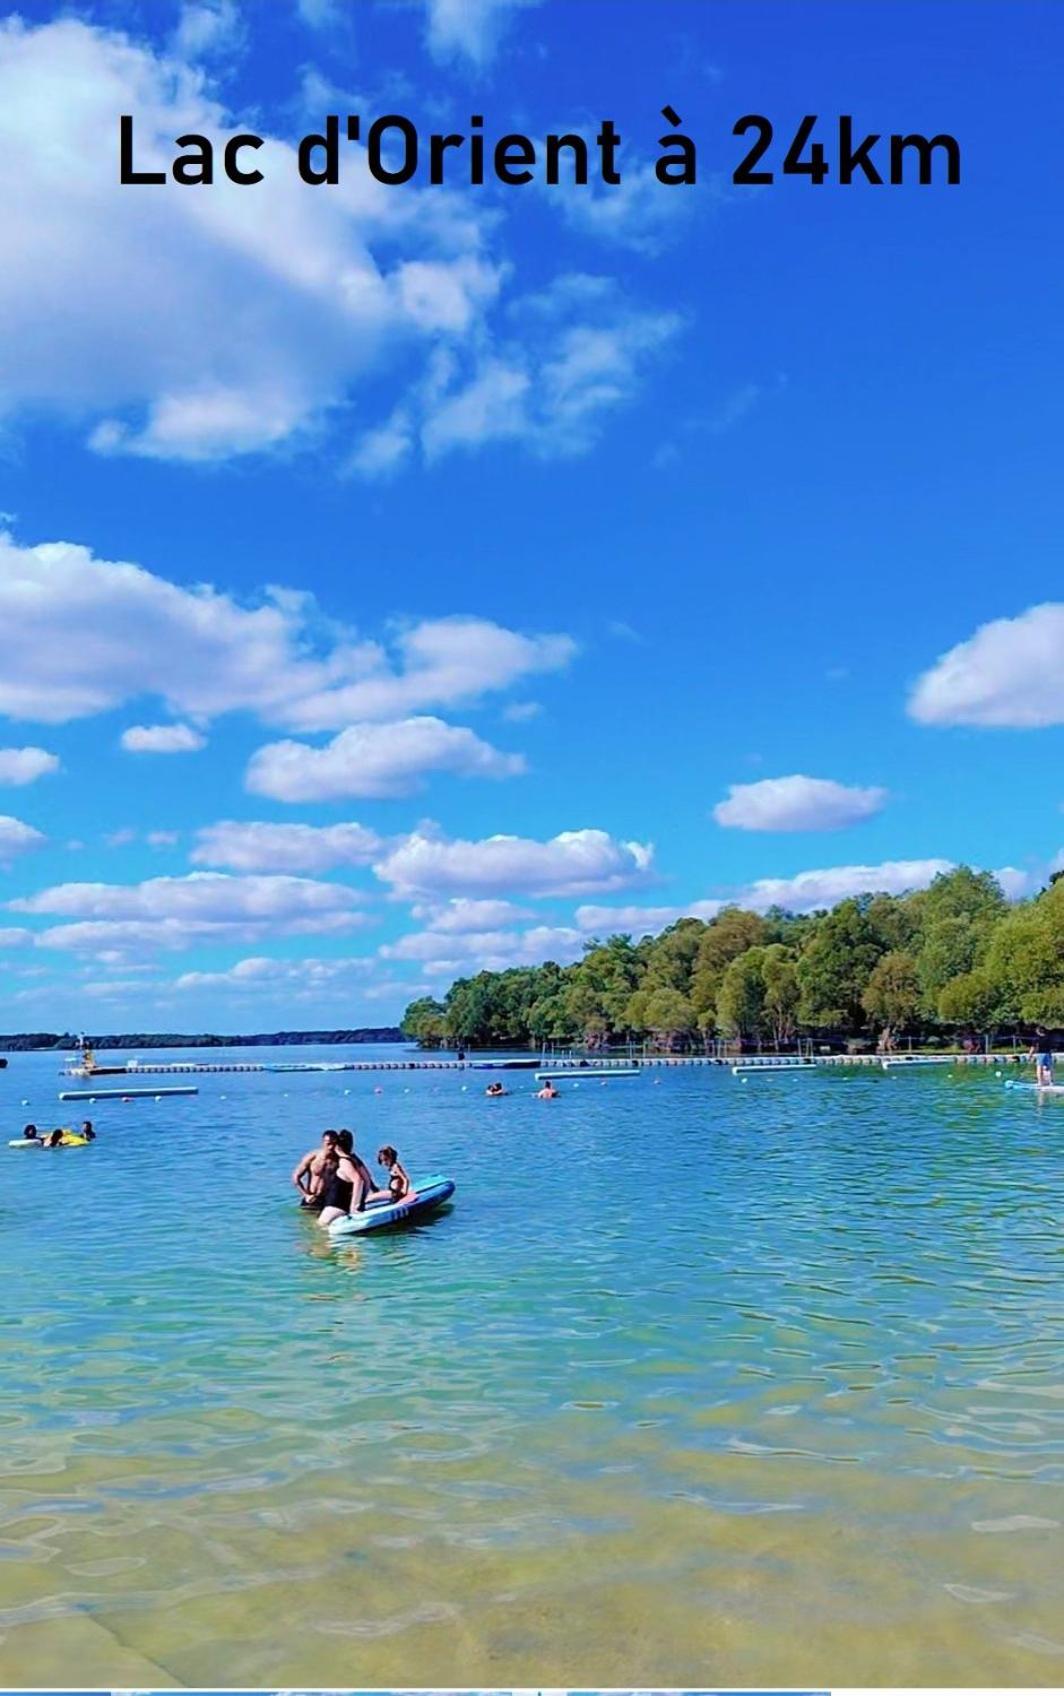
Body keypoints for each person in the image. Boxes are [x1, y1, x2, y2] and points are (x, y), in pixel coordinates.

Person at [318, 1130, 376, 1227]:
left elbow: (358, 1180)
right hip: (343, 1204)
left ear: (338, 1145)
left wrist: (354, 1206)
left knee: (319, 1228)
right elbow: (367, 1180)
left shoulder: (344, 1162)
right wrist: (362, 1200)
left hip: (335, 1205)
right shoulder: (354, 1159)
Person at [292, 1129, 339, 1208]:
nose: (331, 1147)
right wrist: (306, 1195)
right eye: (328, 1144)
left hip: (327, 1200)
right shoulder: (312, 1157)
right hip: (310, 1197)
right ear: (323, 1142)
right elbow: (296, 1177)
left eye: (334, 1144)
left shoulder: (339, 1160)